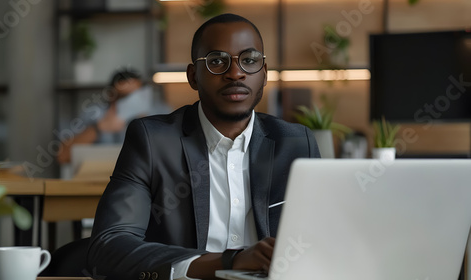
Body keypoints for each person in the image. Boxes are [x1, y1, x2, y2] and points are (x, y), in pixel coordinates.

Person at [87, 13, 320, 280]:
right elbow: (109, 247)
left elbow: (325, 239)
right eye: (217, 61)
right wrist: (229, 262)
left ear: (264, 74)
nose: (236, 72)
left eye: (249, 60)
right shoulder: (153, 141)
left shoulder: (296, 143)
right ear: (193, 76)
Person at [57, 69, 158, 164]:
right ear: (111, 94)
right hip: (95, 178)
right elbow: (63, 156)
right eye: (124, 96)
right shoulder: (94, 113)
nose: (131, 103)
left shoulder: (155, 115)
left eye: (136, 97)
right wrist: (99, 128)